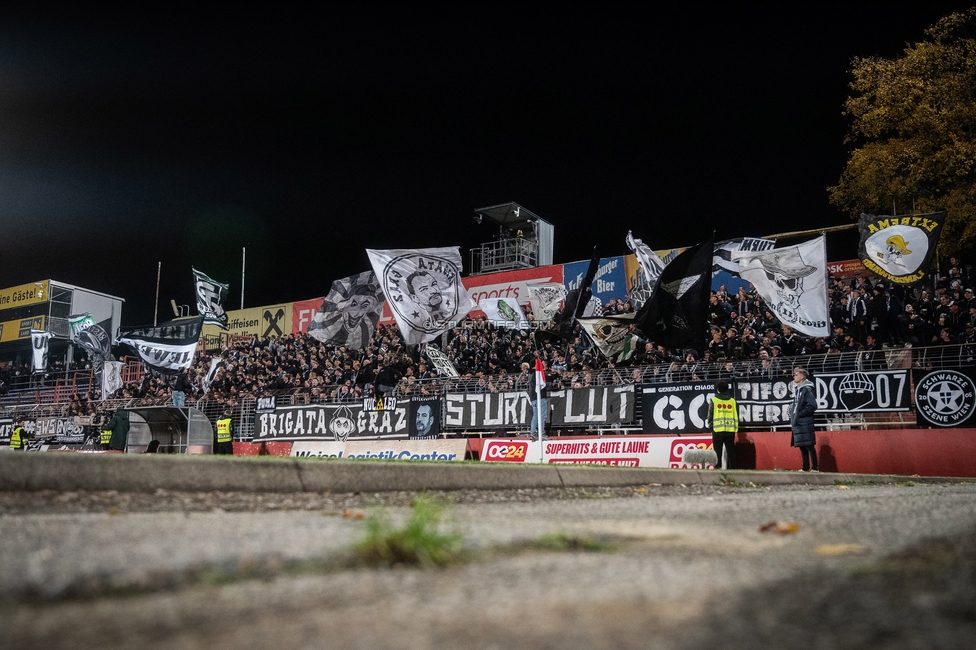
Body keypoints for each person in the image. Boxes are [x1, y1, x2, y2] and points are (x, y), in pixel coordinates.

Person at [790, 367, 818, 472]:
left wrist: (800, 414)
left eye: (796, 374)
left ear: (802, 377)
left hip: (805, 422)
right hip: (799, 423)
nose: (794, 376)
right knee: (802, 446)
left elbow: (812, 406)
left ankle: (815, 468)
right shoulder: (798, 390)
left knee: (809, 445)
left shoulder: (807, 389)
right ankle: (805, 468)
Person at [708, 381, 738, 469]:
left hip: (717, 430)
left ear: (718, 390)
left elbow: (710, 414)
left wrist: (711, 426)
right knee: (731, 451)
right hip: (730, 430)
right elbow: (737, 414)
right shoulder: (733, 401)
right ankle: (734, 469)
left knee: (717, 452)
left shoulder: (714, 400)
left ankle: (718, 469)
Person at [526, 359, 552, 441]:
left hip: (533, 397)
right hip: (540, 397)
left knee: (535, 416)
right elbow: (543, 383)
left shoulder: (530, 373)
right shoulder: (537, 373)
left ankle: (533, 433)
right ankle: (542, 433)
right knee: (542, 416)